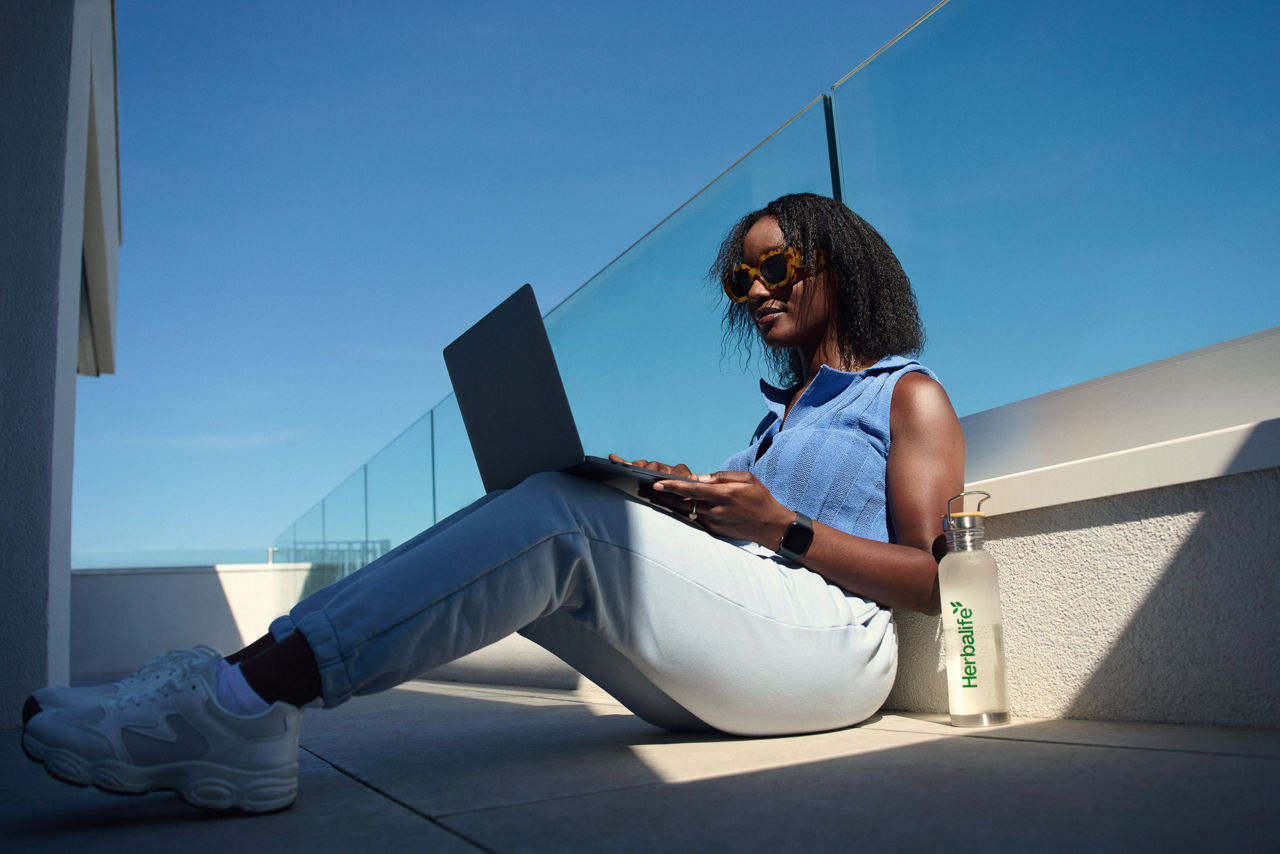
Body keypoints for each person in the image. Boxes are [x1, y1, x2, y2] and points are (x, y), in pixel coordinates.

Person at [21, 192, 964, 813]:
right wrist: (661, 496)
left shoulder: (903, 395)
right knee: (548, 495)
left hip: (838, 656)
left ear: (839, 265)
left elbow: (931, 581)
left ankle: (242, 698)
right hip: (751, 649)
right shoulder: (772, 425)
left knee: (559, 518)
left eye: (778, 266)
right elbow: (736, 552)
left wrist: (782, 526)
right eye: (740, 277)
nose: (757, 289)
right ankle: (248, 690)